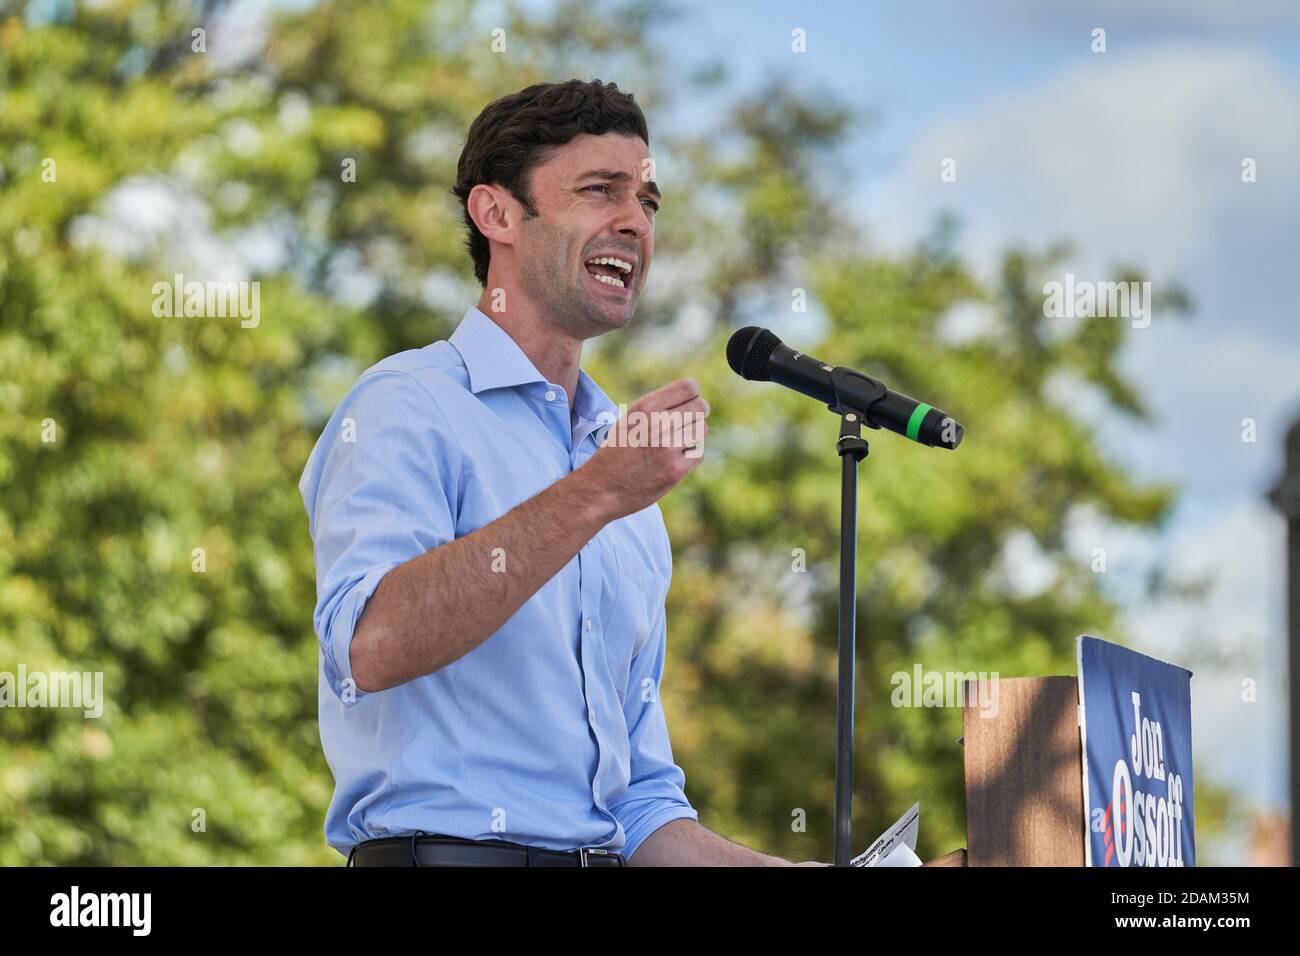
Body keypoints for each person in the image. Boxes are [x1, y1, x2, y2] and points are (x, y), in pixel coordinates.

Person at [299, 78, 817, 866]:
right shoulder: (409, 405)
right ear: (496, 213)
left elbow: (638, 804)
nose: (633, 221)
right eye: (599, 191)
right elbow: (374, 642)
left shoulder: (625, 485)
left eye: (647, 200)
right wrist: (599, 491)